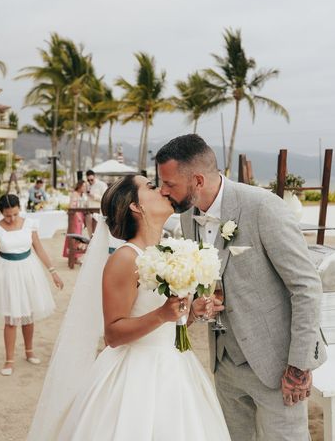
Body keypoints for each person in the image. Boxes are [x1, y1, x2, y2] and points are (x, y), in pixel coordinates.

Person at [28, 175, 230, 440]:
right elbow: (113, 334)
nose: (161, 189)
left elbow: (168, 322)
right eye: (150, 186)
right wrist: (161, 314)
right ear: (136, 206)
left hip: (176, 367)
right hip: (136, 376)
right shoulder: (125, 258)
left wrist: (190, 312)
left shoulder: (168, 251)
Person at [156, 134, 326, 441]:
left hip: (276, 366)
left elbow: (306, 286)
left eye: (169, 184)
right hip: (224, 362)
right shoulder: (186, 219)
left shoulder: (263, 207)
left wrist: (298, 367)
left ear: (197, 179)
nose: (163, 191)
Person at [0, 194, 64, 375]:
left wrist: (53, 272)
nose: (12, 218)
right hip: (7, 273)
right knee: (11, 318)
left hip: (28, 270)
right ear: (1, 213)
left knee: (29, 314)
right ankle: (9, 360)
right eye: (8, 215)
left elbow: (39, 248)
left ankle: (29, 351)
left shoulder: (29, 224)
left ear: (19, 209)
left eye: (15, 214)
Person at [62, 180, 88, 260]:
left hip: (81, 215)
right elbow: (72, 207)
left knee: (79, 235)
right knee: (75, 235)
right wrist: (79, 217)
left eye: (85, 186)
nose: (84, 188)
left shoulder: (82, 195)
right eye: (83, 186)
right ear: (79, 186)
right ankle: (73, 256)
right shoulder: (74, 194)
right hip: (75, 216)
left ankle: (75, 256)